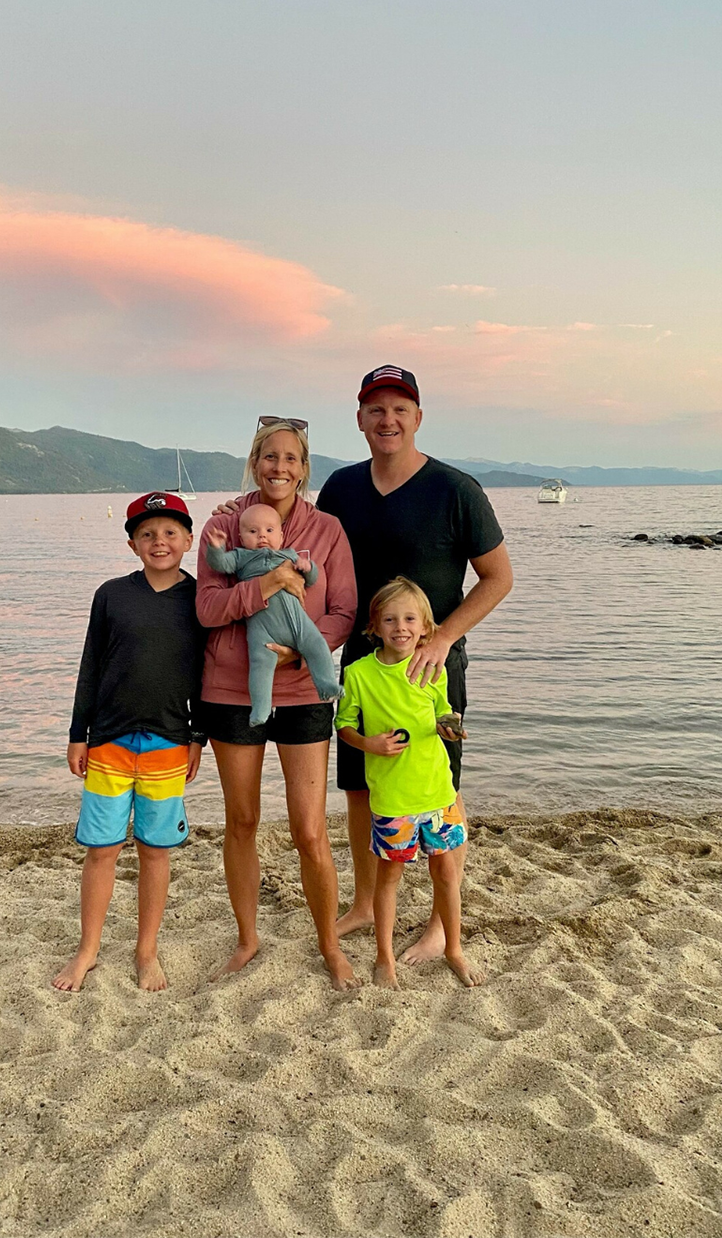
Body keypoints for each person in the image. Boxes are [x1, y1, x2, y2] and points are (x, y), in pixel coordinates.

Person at [317, 364, 514, 963]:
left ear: (418, 418)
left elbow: (498, 577)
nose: (388, 420)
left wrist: (444, 638)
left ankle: (437, 924)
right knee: (361, 786)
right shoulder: (341, 489)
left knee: (440, 793)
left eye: (400, 409)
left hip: (433, 668)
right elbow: (308, 560)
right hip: (361, 664)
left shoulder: (456, 490)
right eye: (376, 409)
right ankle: (364, 902)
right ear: (359, 421)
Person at [197, 418, 360, 989]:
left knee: (310, 831)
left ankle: (329, 945)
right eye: (270, 456)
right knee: (241, 821)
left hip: (302, 690)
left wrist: (302, 653)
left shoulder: (327, 530)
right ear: (254, 461)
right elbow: (208, 610)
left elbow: (342, 612)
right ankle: (247, 939)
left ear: (305, 467)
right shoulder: (222, 526)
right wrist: (265, 587)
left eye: (291, 458)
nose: (280, 468)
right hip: (231, 690)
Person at [52, 491, 205, 994]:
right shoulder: (111, 594)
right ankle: (88, 950)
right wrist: (79, 734)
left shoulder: (200, 599)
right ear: (132, 543)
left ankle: (146, 951)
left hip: (168, 740)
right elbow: (90, 665)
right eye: (146, 534)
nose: (158, 541)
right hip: (110, 741)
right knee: (102, 848)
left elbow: (208, 675)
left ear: (187, 539)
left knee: (155, 850)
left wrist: (198, 738)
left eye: (168, 533)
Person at [335, 577, 484, 989]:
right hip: (393, 798)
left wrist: (451, 728)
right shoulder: (359, 673)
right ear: (375, 627)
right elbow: (343, 724)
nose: (400, 627)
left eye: (409, 619)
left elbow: (443, 715)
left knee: (448, 875)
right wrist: (369, 743)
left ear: (425, 628)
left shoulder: (432, 667)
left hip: (437, 792)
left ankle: (453, 948)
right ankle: (385, 958)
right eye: (390, 619)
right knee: (389, 878)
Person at [203, 502, 342, 725]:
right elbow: (220, 564)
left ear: (281, 534)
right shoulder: (240, 556)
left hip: (299, 624)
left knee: (317, 645)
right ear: (240, 536)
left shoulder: (290, 556)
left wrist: (309, 567)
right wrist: (216, 548)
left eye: (269, 531)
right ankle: (260, 709)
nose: (262, 537)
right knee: (260, 664)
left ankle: (327, 685)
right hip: (262, 628)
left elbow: (312, 580)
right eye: (252, 531)